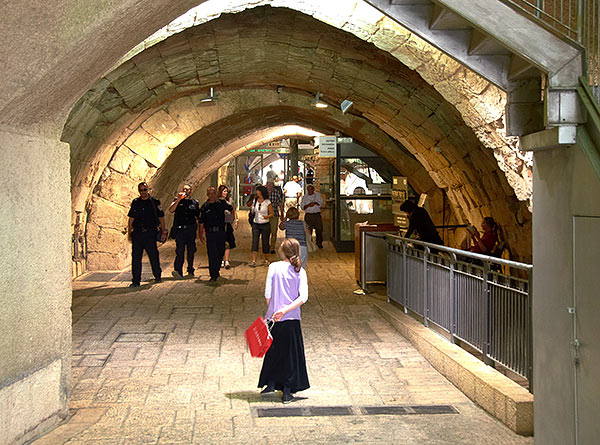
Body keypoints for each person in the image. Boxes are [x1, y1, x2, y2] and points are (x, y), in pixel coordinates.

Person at [258, 238, 310, 404]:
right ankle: (287, 390)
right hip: (291, 318)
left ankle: (271, 383)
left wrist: (274, 310)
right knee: (290, 355)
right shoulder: (299, 271)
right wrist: (286, 310)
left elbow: (268, 293)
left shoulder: (274, 267)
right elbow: (303, 297)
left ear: (282, 252)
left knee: (273, 351)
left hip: (274, 318)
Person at [127, 182, 166, 287]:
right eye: (141, 190)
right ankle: (136, 280)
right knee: (136, 258)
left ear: (148, 190)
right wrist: (129, 233)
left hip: (150, 234)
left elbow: (161, 218)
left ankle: (157, 275)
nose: (143, 192)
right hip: (138, 234)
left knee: (153, 256)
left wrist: (163, 232)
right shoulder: (135, 203)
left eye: (145, 190)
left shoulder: (154, 202)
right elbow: (131, 219)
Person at [198, 186, 233, 282]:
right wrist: (200, 235)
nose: (212, 195)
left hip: (221, 232)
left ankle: (216, 269)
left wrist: (230, 219)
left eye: (213, 193)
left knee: (220, 251)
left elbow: (230, 208)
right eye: (210, 194)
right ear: (207, 195)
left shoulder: (221, 203)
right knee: (211, 253)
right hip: (210, 233)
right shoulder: (205, 207)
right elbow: (201, 222)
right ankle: (213, 274)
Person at [168, 184, 200, 279]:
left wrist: (198, 233)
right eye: (184, 189)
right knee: (180, 251)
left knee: (191, 251)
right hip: (180, 230)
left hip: (190, 230)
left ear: (191, 191)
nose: (186, 191)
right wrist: (178, 200)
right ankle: (178, 270)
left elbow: (197, 217)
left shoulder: (194, 203)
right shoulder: (176, 201)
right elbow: (171, 210)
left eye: (187, 189)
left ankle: (190, 269)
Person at [250, 185, 273, 267]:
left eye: (258, 191)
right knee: (255, 242)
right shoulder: (255, 200)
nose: (257, 192)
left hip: (265, 224)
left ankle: (266, 259)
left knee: (265, 242)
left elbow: (271, 213)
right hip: (256, 223)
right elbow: (252, 210)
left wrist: (266, 217)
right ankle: (253, 260)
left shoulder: (267, 202)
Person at [218, 184, 237, 269]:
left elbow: (233, 210)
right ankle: (221, 260)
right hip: (220, 224)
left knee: (227, 242)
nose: (225, 193)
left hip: (228, 223)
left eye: (226, 191)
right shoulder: (217, 201)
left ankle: (226, 260)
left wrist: (236, 220)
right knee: (220, 242)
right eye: (224, 191)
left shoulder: (230, 201)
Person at [300, 184, 324, 249]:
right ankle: (309, 243)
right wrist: (308, 205)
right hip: (309, 215)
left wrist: (316, 203)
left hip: (316, 215)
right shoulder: (305, 197)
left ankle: (319, 243)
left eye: (311, 189)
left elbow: (321, 203)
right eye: (309, 190)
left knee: (319, 229)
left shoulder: (317, 195)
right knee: (308, 230)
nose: (310, 191)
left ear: (313, 189)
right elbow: (302, 207)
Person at [266, 180, 284, 254]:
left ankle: (272, 247)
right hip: (265, 215)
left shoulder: (276, 192)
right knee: (266, 232)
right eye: (268, 185)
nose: (269, 186)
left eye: (271, 185)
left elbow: (279, 202)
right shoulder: (264, 193)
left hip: (274, 214)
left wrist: (282, 213)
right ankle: (266, 245)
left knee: (274, 231)